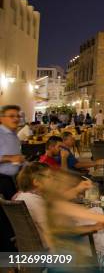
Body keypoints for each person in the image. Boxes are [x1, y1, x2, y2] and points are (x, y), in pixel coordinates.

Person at [0, 105, 25, 250]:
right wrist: (10, 158)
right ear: (2, 118)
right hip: (1, 181)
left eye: (17, 116)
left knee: (11, 219)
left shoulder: (13, 135)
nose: (16, 119)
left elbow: (18, 158)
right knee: (4, 220)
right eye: (12, 116)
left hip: (12, 180)